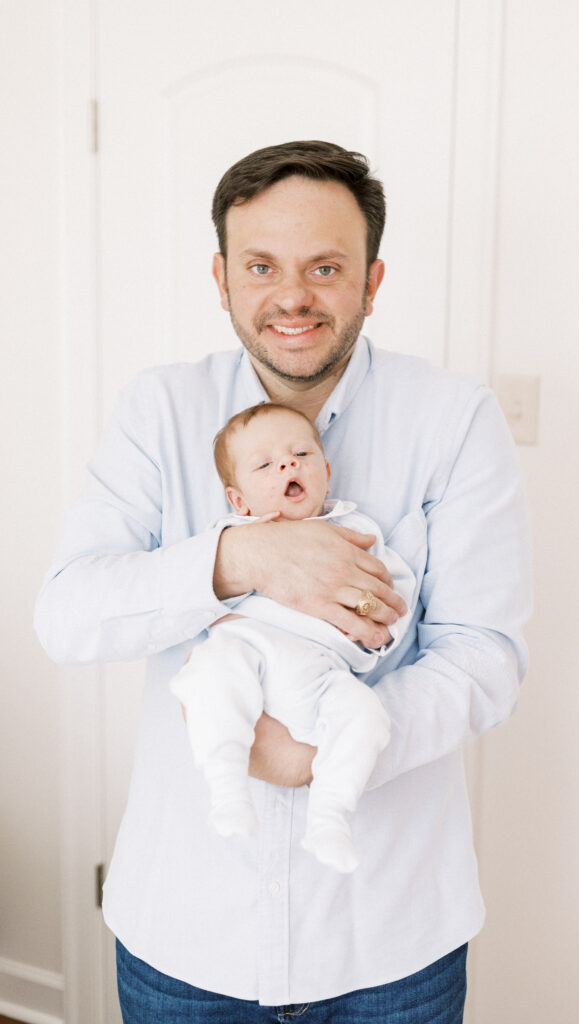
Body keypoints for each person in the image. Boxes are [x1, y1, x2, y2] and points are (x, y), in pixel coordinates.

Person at [35, 140, 531, 1022]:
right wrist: (243, 557)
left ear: (371, 281)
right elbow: (68, 616)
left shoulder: (454, 420)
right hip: (187, 937)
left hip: (391, 941)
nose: (292, 296)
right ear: (221, 279)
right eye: (261, 265)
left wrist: (327, 756)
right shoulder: (159, 410)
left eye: (325, 267)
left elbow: (483, 656)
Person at [171, 401, 415, 874]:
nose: (287, 464)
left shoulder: (357, 532)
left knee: (366, 716)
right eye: (264, 464)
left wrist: (376, 626)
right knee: (209, 676)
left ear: (325, 470)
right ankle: (225, 787)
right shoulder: (231, 534)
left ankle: (329, 818)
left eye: (300, 454)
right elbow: (196, 594)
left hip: (321, 670)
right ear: (239, 501)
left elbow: (393, 592)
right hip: (249, 647)